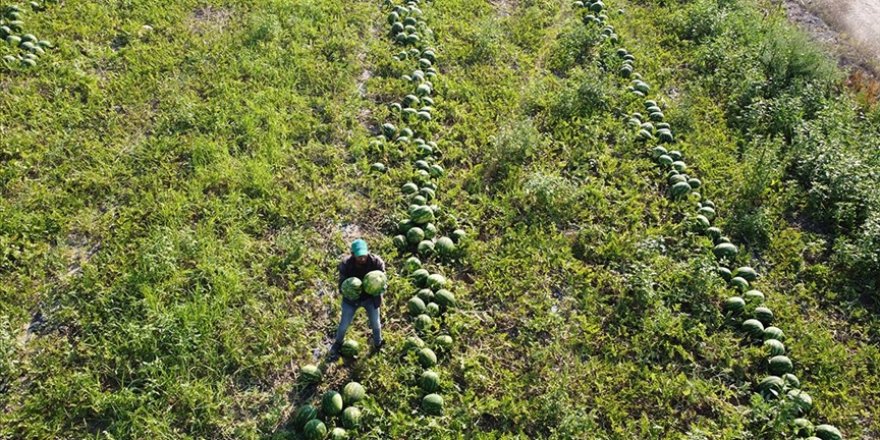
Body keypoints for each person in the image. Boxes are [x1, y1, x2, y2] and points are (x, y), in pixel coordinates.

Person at [330, 239, 386, 356]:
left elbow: (383, 279)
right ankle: (338, 344)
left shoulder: (376, 262)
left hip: (370, 298)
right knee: (343, 325)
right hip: (351, 300)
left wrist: (379, 288)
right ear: (353, 254)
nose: (362, 259)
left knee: (376, 324)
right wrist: (349, 289)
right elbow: (341, 285)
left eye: (364, 255)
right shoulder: (346, 264)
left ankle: (378, 344)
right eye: (359, 256)